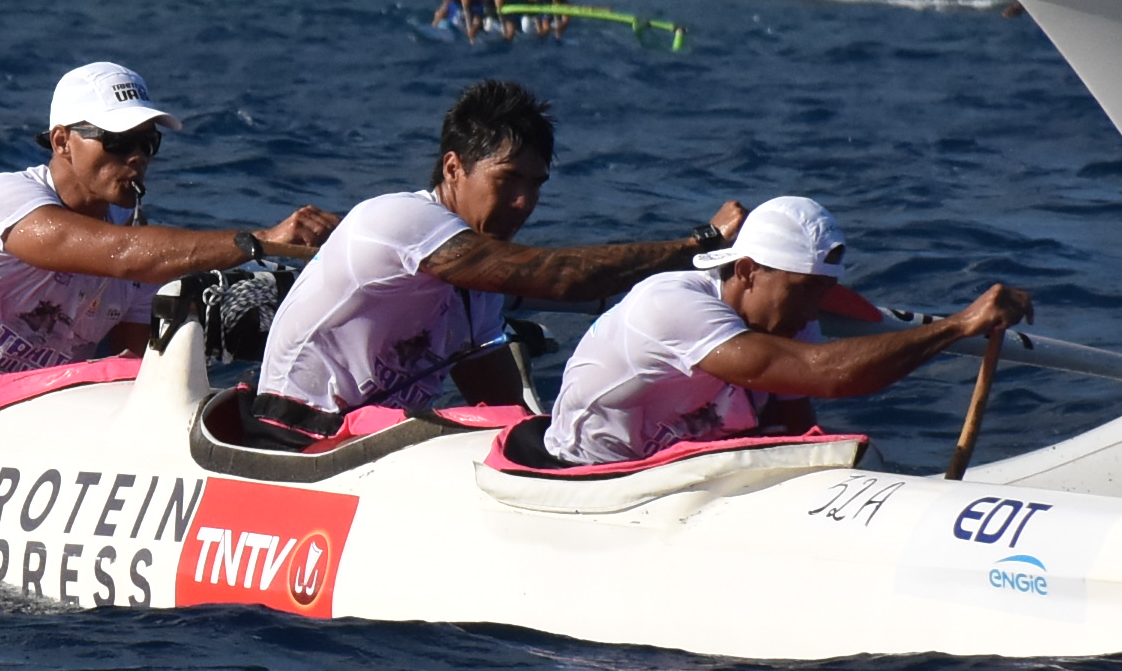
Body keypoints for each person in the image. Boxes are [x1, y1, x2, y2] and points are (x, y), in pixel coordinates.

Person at [245, 77, 747, 442]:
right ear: (453, 168)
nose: (524, 202)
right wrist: (697, 244)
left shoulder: (478, 280)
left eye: (535, 185)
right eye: (508, 180)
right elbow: (564, 278)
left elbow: (501, 407)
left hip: (367, 443)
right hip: (288, 435)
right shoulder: (400, 221)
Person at [0, 61, 337, 386]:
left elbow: (133, 363)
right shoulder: (6, 200)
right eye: (119, 141)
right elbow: (123, 256)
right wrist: (261, 240)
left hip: (42, 410)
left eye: (148, 143)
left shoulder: (138, 239)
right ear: (62, 141)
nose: (137, 158)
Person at [544, 194, 1029, 464]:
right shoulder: (673, 305)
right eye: (803, 290)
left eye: (823, 292)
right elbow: (826, 374)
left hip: (679, 472)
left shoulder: (789, 316)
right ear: (748, 270)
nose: (813, 312)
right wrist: (957, 326)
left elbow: (797, 428)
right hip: (587, 474)